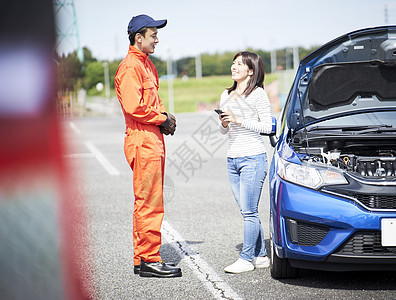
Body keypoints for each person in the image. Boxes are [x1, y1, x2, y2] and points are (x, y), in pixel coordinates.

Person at [114, 14, 181, 278]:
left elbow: (154, 100)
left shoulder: (147, 65)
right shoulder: (131, 66)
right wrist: (162, 118)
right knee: (149, 202)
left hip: (153, 137)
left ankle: (142, 258)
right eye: (153, 35)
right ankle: (150, 259)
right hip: (142, 139)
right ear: (138, 37)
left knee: (149, 200)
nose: (157, 40)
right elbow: (134, 106)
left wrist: (165, 117)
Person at [218, 51, 273, 274]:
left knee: (249, 212)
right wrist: (223, 123)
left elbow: (269, 127)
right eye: (233, 63)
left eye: (240, 64)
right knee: (247, 211)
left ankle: (246, 258)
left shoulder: (258, 94)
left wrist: (240, 120)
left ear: (251, 70)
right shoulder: (226, 94)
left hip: (253, 158)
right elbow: (222, 131)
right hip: (233, 159)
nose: (234, 66)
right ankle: (260, 255)